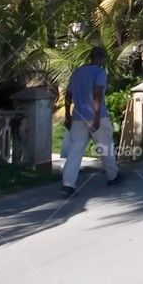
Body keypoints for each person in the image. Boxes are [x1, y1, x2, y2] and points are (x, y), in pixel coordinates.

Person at [61, 46, 122, 195]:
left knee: (75, 151)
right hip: (97, 116)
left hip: (77, 117)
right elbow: (97, 93)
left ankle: (68, 184)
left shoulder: (77, 72)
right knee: (105, 146)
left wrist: (68, 116)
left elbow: (68, 96)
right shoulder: (100, 72)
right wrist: (95, 118)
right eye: (103, 59)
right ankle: (112, 176)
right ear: (100, 58)